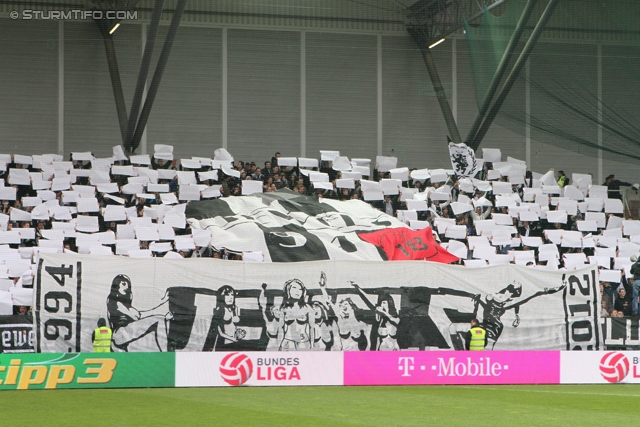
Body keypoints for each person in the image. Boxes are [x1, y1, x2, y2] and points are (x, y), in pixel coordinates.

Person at [106, 274, 170, 352]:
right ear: (116, 285)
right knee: (159, 320)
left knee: (159, 318)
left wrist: (162, 305)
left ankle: (165, 352)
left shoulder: (123, 303)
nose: (126, 287)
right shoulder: (113, 301)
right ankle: (166, 352)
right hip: (120, 333)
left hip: (122, 335)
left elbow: (139, 315)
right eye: (123, 284)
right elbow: (136, 316)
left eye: (127, 285)